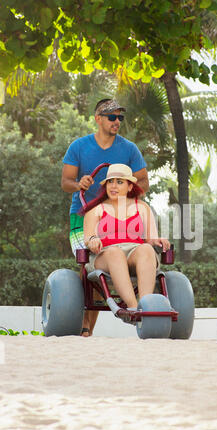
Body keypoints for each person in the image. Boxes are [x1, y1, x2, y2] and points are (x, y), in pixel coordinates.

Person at [61, 98, 149, 336]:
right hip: (83, 217)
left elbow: (144, 182)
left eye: (120, 117)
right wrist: (79, 182)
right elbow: (65, 182)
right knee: (88, 265)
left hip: (119, 217)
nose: (117, 121)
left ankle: (143, 308)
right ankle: (85, 325)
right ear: (98, 118)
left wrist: (124, 188)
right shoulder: (79, 147)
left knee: (118, 259)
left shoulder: (129, 149)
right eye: (112, 117)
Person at [83, 164, 170, 318]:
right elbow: (88, 237)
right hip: (104, 255)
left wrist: (158, 241)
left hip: (134, 253)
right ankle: (133, 308)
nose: (113, 186)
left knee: (146, 249)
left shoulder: (142, 207)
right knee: (115, 253)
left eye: (119, 182)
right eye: (110, 182)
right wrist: (93, 240)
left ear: (130, 187)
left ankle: (146, 305)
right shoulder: (96, 209)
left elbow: (151, 239)